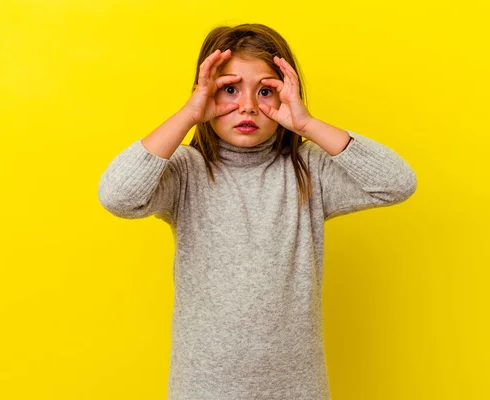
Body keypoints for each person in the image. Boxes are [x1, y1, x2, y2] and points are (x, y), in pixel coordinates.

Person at [98, 23, 417, 400]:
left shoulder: (307, 169)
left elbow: (397, 182)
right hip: (204, 387)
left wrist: (308, 124)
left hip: (297, 388)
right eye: (229, 89)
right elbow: (117, 196)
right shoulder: (185, 170)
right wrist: (187, 114)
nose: (247, 106)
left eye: (265, 91)